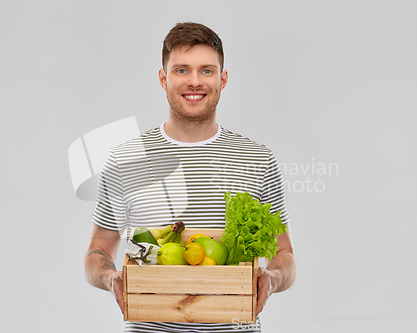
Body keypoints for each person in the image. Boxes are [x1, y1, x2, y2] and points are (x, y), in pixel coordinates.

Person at [84, 22, 297, 332]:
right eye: (181, 70)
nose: (195, 82)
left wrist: (273, 279)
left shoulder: (257, 159)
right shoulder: (124, 159)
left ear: (223, 80)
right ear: (163, 78)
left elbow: (284, 253)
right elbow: (98, 251)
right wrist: (110, 276)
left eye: (207, 71)